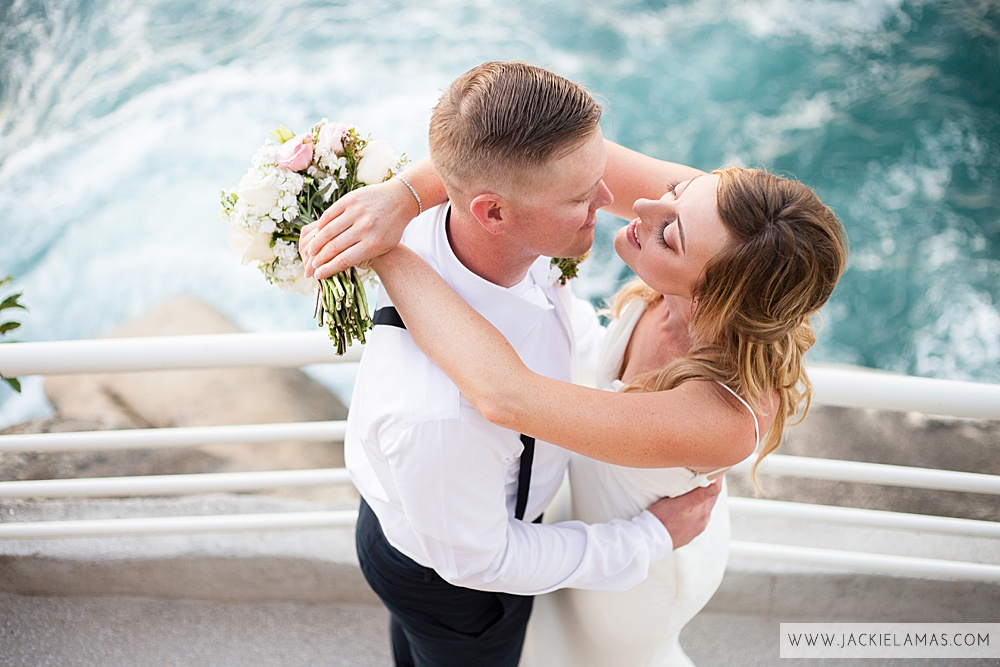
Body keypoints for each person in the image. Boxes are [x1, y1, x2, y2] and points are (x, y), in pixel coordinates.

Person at [302, 101, 848, 666]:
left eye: (671, 233)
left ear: (709, 297)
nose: (640, 202)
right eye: (682, 188)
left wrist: (384, 250)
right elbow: (532, 157)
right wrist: (401, 199)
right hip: (565, 520)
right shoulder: (711, 224)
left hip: (641, 565)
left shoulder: (723, 418)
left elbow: (504, 395)